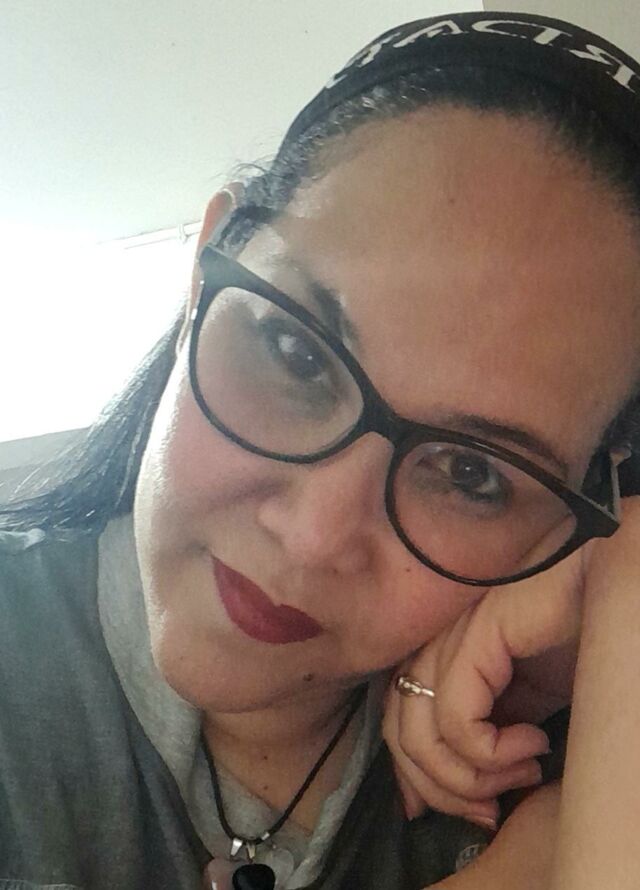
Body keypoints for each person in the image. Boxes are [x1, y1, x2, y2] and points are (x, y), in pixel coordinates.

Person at [3, 9, 640, 890]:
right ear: (203, 270)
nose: (313, 536)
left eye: (471, 473)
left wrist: (629, 576)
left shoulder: (584, 738)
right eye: (297, 353)